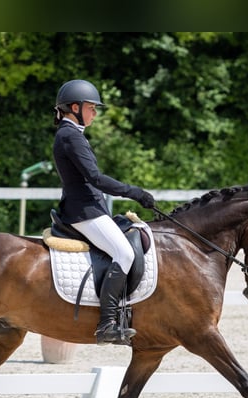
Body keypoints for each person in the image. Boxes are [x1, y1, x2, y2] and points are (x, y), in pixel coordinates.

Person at [52, 79, 156, 346]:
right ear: (75, 107)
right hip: (84, 211)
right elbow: (95, 178)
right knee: (124, 253)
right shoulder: (70, 136)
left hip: (90, 208)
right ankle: (107, 323)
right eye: (91, 107)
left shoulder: (72, 133)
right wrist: (134, 192)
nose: (94, 113)